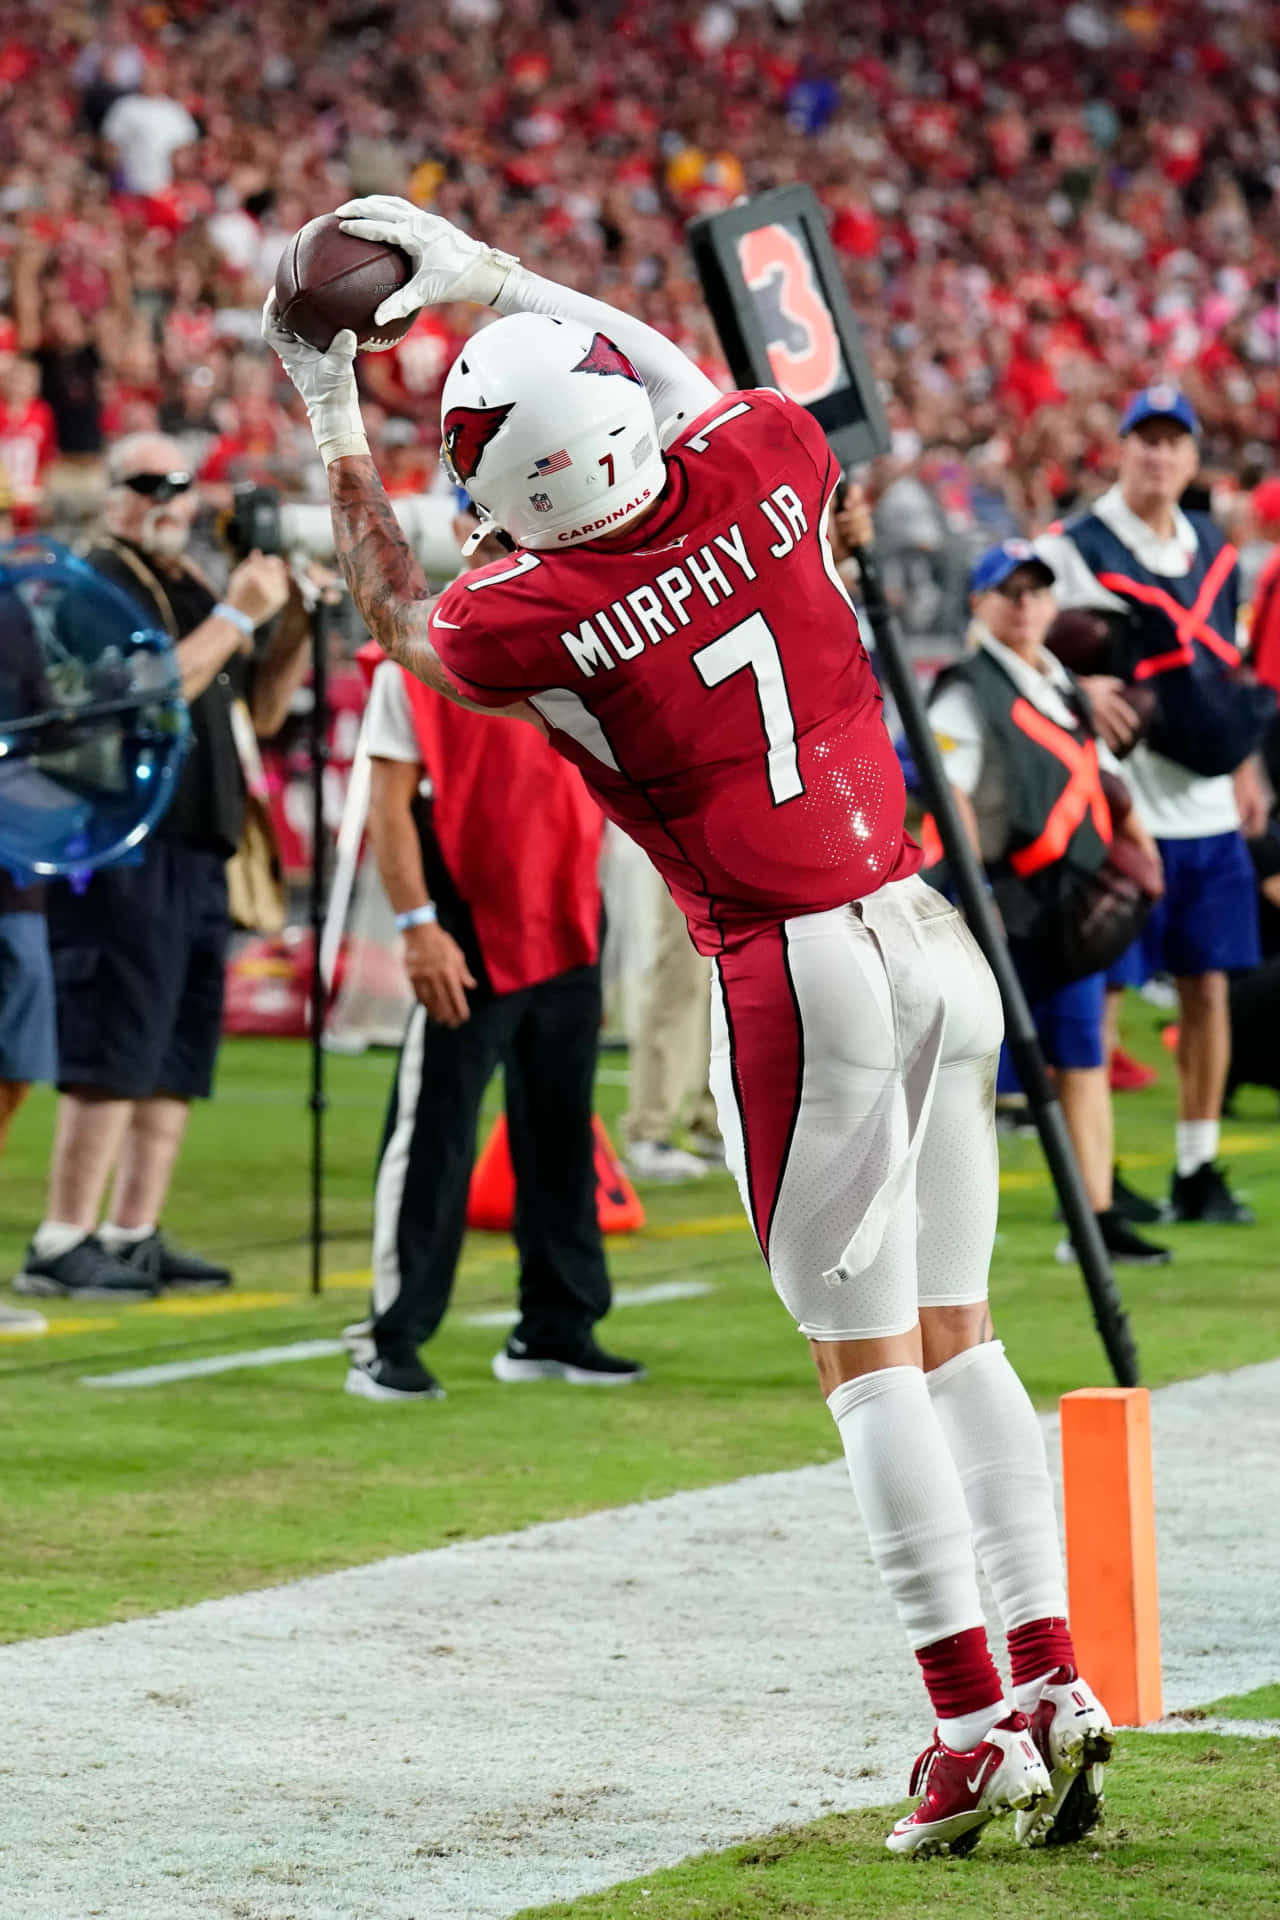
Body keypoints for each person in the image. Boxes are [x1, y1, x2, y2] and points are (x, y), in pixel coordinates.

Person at [264, 196, 1115, 1858]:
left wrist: (328, 406)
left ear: (509, 488)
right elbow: (670, 368)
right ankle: (1057, 1676)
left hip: (795, 965)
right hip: (927, 932)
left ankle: (965, 1725)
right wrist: (503, 274)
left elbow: (396, 615)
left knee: (866, 1370)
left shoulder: (530, 615)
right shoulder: (767, 454)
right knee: (965, 1335)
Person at [346, 503, 642, 1402]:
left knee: (559, 1131)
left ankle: (557, 1325)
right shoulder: (422, 651)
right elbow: (388, 802)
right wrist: (416, 924)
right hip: (468, 923)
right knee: (433, 1133)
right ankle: (389, 1338)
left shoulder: (582, 643)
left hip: (565, 915)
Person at [14, 432, 303, 1304]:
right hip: (122, 845)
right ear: (112, 498)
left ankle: (133, 1231)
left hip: (197, 845)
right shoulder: (93, 581)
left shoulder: (191, 583)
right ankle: (63, 1237)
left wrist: (286, 621)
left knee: (175, 1049)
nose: (172, 498)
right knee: (115, 1042)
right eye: (150, 483)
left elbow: (266, 707)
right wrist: (239, 615)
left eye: (182, 483)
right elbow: (143, 691)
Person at [1035, 388, 1273, 1224]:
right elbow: (1004, 636)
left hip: (1205, 806)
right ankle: (1096, 1179)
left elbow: (1227, 670)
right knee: (1099, 992)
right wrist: (1076, 684)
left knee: (1208, 989)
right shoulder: (1071, 546)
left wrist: (1247, 769)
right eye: (1147, 441)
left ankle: (1196, 1163)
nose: (1160, 457)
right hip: (1119, 804)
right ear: (1122, 448)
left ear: (1193, 457)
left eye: (1176, 443)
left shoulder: (1212, 543)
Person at [928, 541, 1169, 1264]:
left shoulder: (1061, 682)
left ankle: (1093, 1220)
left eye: (1037, 591)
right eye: (1010, 592)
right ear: (980, 603)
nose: (1026, 604)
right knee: (970, 1073)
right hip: (1008, 900)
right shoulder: (966, 689)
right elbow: (952, 797)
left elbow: (1099, 774)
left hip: (1069, 901)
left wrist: (1136, 836)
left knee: (1083, 1058)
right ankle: (947, 1232)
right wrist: (974, 900)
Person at [622, 869, 720, 1183]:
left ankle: (713, 1124)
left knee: (733, 986)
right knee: (681, 979)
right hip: (688, 847)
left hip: (747, 846)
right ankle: (648, 1132)